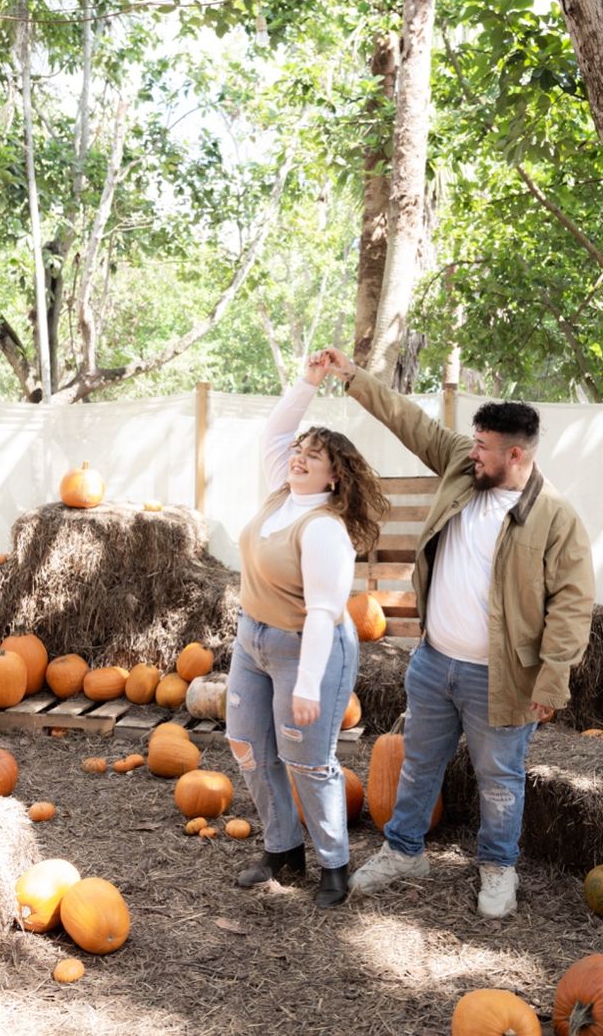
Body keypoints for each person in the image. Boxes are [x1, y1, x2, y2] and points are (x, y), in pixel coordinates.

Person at [317, 346, 595, 918]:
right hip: (435, 661)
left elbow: (573, 601)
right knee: (418, 762)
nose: (473, 452)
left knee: (499, 778)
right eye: (473, 441)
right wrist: (351, 377)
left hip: (503, 678)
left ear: (515, 454)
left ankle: (497, 866)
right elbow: (409, 421)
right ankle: (404, 851)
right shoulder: (461, 467)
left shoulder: (556, 517)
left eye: (485, 447)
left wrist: (553, 677)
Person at [226, 354, 389, 909]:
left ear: (334, 475)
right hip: (252, 640)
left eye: (312, 456)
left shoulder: (323, 530)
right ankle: (282, 849)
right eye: (298, 451)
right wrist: (309, 381)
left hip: (306, 650)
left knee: (308, 761)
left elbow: (323, 613)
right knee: (248, 745)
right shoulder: (279, 494)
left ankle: (334, 865)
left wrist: (306, 687)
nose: (297, 458)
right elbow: (275, 430)